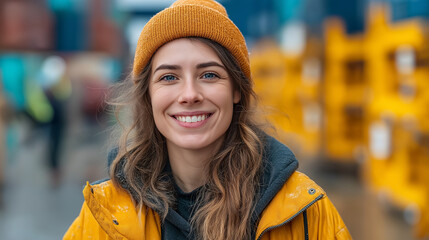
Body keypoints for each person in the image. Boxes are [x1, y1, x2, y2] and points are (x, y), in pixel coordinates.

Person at [64, 0, 351, 239]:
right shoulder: (103, 217)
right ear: (148, 96)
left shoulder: (305, 212)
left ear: (237, 90)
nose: (189, 94)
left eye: (209, 75)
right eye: (169, 77)